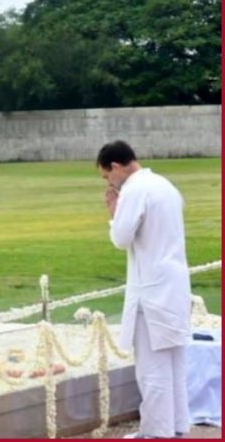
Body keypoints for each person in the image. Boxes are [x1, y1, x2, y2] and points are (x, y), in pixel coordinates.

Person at [98, 140, 191, 439]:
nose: (109, 183)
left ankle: (157, 431)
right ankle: (175, 425)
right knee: (174, 362)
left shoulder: (135, 189)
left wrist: (113, 212)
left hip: (151, 289)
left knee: (152, 367)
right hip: (173, 284)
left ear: (115, 166)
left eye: (106, 176)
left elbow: (122, 237)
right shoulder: (165, 185)